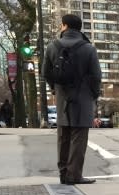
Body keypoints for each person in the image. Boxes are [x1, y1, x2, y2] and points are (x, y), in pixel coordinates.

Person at [43, 13, 102, 185]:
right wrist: (93, 94)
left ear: (65, 26)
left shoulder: (52, 47)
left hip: (62, 98)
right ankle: (74, 175)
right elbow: (96, 76)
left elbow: (45, 73)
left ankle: (63, 174)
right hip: (83, 98)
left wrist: (55, 88)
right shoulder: (89, 48)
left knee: (63, 137)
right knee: (79, 138)